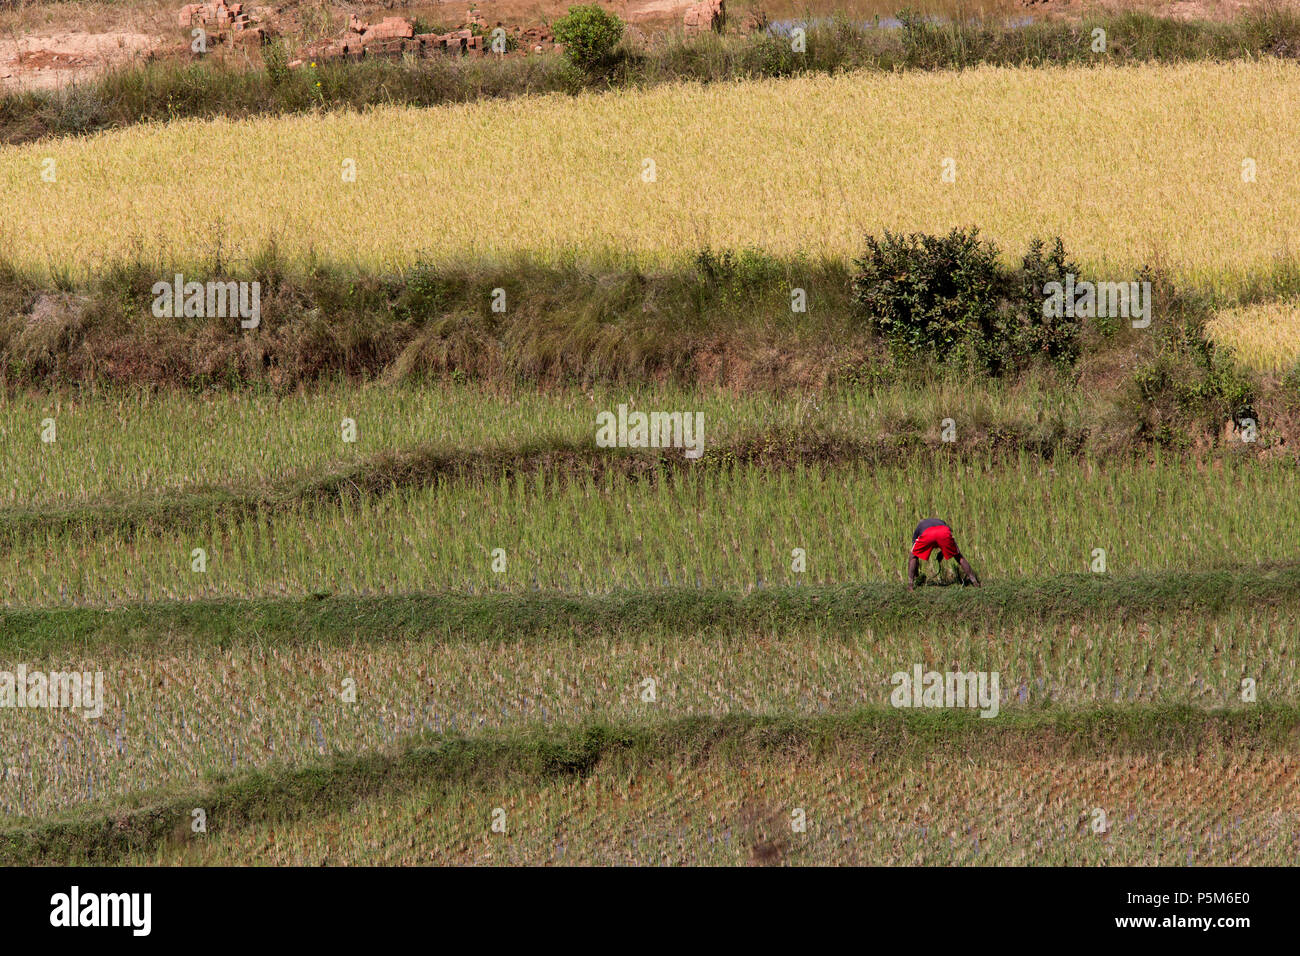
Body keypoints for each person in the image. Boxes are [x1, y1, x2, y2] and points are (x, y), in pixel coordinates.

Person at [908, 518, 980, 590]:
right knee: (959, 556)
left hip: (927, 533)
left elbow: (915, 554)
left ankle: (910, 585)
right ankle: (974, 581)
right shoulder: (940, 522)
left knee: (912, 556)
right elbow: (945, 536)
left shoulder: (920, 526)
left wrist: (916, 574)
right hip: (944, 531)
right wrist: (942, 552)